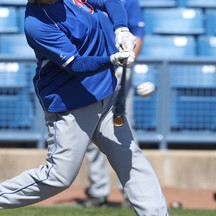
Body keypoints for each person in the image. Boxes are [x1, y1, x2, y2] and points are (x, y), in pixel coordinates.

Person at [0, 0, 169, 215]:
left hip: (106, 94)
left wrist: (121, 28)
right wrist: (112, 59)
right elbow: (77, 64)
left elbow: (109, 1)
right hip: (71, 104)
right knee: (58, 177)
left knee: (130, 156)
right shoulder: (36, 23)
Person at [82, 0, 145, 208]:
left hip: (121, 68)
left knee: (124, 130)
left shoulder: (129, 1)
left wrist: (129, 58)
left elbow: (137, 32)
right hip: (95, 68)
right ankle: (99, 191)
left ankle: (130, 192)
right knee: (92, 128)